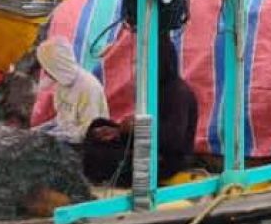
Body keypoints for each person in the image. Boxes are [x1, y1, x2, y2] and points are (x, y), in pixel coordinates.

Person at [82, 34, 198, 184]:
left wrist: (132, 129)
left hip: (166, 158)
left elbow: (172, 141)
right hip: (147, 144)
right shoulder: (155, 87)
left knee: (99, 157)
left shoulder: (177, 92)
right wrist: (117, 131)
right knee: (97, 126)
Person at [35, 37, 109, 144]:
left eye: (47, 67)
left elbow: (90, 131)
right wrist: (40, 131)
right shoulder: (61, 83)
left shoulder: (89, 87)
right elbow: (63, 120)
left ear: (58, 66)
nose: (45, 72)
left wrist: (55, 136)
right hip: (64, 138)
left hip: (85, 146)